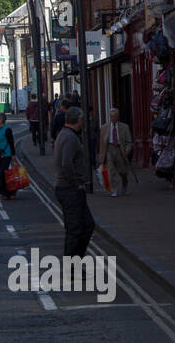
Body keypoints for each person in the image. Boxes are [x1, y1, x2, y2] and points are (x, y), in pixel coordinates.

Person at [54, 106, 94, 257]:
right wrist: (76, 183)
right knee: (75, 229)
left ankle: (76, 262)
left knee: (87, 226)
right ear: (79, 120)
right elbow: (66, 163)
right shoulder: (70, 137)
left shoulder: (64, 134)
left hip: (68, 189)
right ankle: (73, 267)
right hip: (69, 189)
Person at [97, 107, 133, 197]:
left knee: (123, 172)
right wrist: (101, 155)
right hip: (109, 149)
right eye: (111, 116)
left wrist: (127, 150)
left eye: (114, 116)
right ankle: (114, 190)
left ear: (118, 117)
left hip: (120, 150)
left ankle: (124, 185)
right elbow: (101, 143)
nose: (113, 118)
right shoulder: (104, 127)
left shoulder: (125, 127)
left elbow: (129, 141)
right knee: (111, 171)